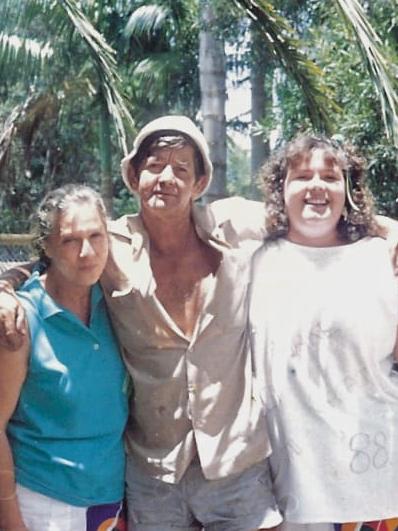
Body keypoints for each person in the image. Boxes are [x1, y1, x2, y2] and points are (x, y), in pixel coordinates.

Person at [0, 117, 282, 531]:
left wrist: (386, 228)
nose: (166, 177)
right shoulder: (108, 246)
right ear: (134, 176)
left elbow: (312, 209)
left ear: (200, 183)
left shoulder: (239, 228)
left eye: (181, 168)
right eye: (154, 165)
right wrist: (6, 285)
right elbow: (54, 256)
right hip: (153, 474)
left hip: (235, 466)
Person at [249, 135, 398, 530]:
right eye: (301, 176)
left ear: (349, 191)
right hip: (292, 494)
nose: (316, 185)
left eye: (330, 177)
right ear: (281, 190)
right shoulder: (252, 259)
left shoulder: (381, 258)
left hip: (376, 487)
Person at [0, 185, 128, 531]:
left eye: (96, 236)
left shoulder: (117, 303)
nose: (87, 252)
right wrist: (10, 518)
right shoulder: (20, 321)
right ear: (47, 245)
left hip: (109, 501)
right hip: (43, 504)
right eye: (70, 240)